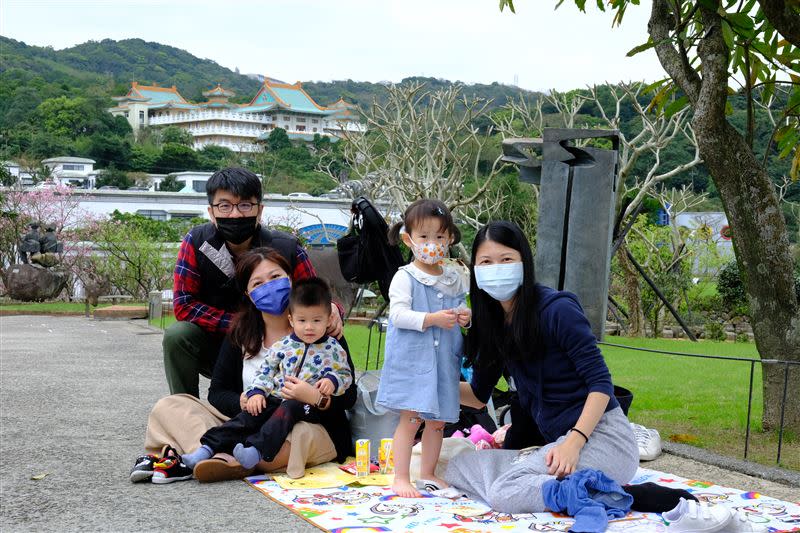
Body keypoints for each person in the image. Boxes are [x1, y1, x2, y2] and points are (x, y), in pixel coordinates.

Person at [442, 220, 638, 514]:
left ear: (524, 262)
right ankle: (580, 487)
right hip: (558, 444)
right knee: (458, 467)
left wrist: (573, 442)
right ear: (476, 271)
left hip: (602, 439)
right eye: (486, 262)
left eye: (506, 259)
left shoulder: (558, 310)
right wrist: (430, 386)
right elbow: (478, 396)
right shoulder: (495, 325)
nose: (496, 268)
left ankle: (606, 492)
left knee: (503, 493)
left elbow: (601, 385)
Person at [134, 248, 357, 483]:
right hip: (252, 420)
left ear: (290, 280)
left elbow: (349, 394)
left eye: (275, 277)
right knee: (170, 406)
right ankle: (229, 455)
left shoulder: (323, 331)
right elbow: (217, 393)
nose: (269, 287)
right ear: (249, 294)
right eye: (258, 283)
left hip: (307, 423)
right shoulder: (242, 333)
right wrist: (242, 400)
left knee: (300, 435)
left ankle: (225, 457)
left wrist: (317, 397)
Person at [163, 167, 343, 397]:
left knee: (324, 327)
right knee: (177, 336)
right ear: (211, 211)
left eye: (245, 205)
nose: (236, 215)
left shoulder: (285, 247)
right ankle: (183, 407)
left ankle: (311, 400)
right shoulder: (197, 242)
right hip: (220, 346)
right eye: (225, 206)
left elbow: (314, 293)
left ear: (260, 210)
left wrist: (334, 308)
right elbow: (184, 305)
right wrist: (243, 328)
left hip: (281, 349)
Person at [180, 276, 353, 470]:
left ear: (329, 318)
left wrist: (332, 381)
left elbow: (345, 374)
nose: (309, 327)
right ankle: (207, 449)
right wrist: (257, 392)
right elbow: (266, 370)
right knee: (250, 415)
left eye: (317, 320)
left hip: (308, 408)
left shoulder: (333, 347)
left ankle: (256, 451)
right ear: (291, 319)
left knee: (289, 410)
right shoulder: (283, 346)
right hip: (278, 399)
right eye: (302, 320)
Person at [375, 199, 472, 498]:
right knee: (411, 418)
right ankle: (401, 477)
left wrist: (466, 318)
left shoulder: (454, 277)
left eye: (440, 237)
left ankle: (428, 473)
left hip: (443, 360)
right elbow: (398, 315)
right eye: (425, 237)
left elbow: (460, 310)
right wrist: (431, 319)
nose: (433, 244)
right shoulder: (404, 277)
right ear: (408, 239)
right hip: (414, 361)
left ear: (450, 238)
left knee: (437, 421)